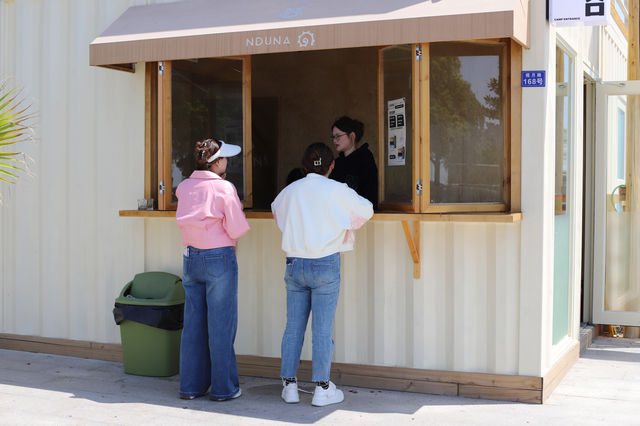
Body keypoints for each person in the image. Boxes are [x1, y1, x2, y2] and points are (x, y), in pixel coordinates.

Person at [271, 142, 373, 407]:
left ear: (304, 165)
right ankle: (322, 389)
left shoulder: (291, 191)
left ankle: (289, 386)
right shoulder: (339, 190)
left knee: (293, 327)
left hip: (295, 263)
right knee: (322, 329)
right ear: (332, 165)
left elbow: (276, 211)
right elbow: (367, 211)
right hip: (325, 263)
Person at [175, 138, 250, 402]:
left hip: (191, 257)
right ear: (216, 162)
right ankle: (223, 389)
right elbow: (237, 228)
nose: (228, 162)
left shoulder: (183, 187)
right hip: (219, 257)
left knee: (193, 325)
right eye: (226, 158)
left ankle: (191, 387)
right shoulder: (224, 188)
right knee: (221, 325)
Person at [329, 116, 378, 209]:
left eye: (338, 136)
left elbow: (369, 192)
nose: (335, 140)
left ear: (352, 136)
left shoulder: (365, 159)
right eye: (333, 137)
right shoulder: (336, 163)